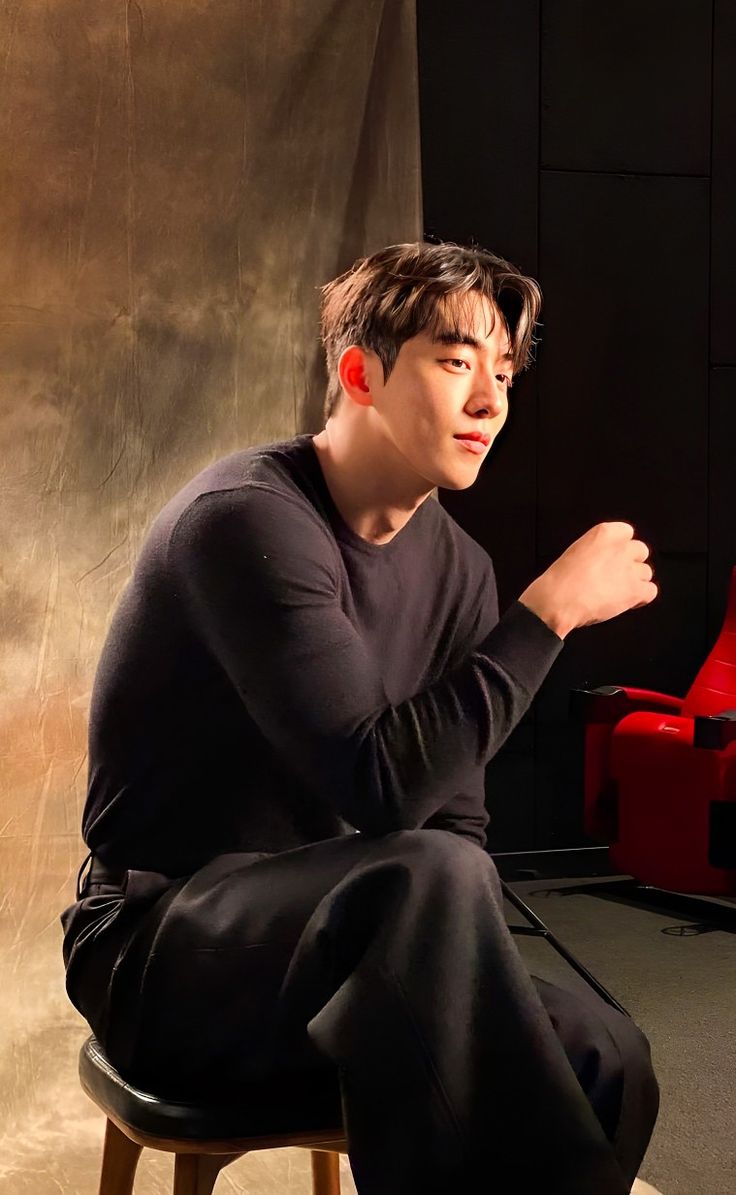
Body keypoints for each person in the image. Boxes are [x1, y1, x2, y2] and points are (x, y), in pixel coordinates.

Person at [61, 240, 661, 1195]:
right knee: (423, 873)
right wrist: (547, 616)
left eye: (504, 372)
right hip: (161, 949)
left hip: (355, 950)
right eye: (458, 362)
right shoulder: (247, 519)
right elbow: (380, 787)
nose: (490, 401)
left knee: (607, 1055)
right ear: (360, 372)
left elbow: (453, 821)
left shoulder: (459, 568)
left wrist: (490, 1001)